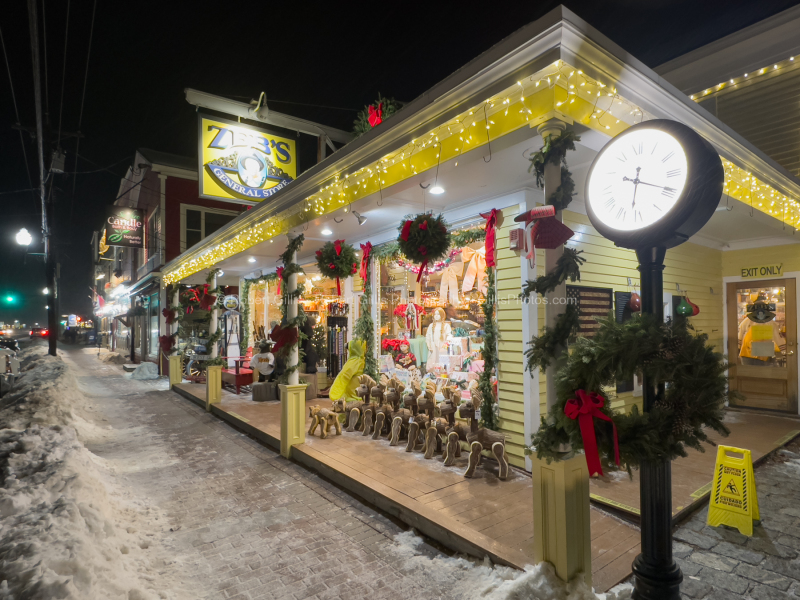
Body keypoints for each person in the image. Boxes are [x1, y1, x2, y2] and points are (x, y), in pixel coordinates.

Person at [329, 339, 365, 404]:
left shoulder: (354, 362)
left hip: (353, 396)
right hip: (362, 395)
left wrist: (334, 394)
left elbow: (343, 377)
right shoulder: (363, 361)